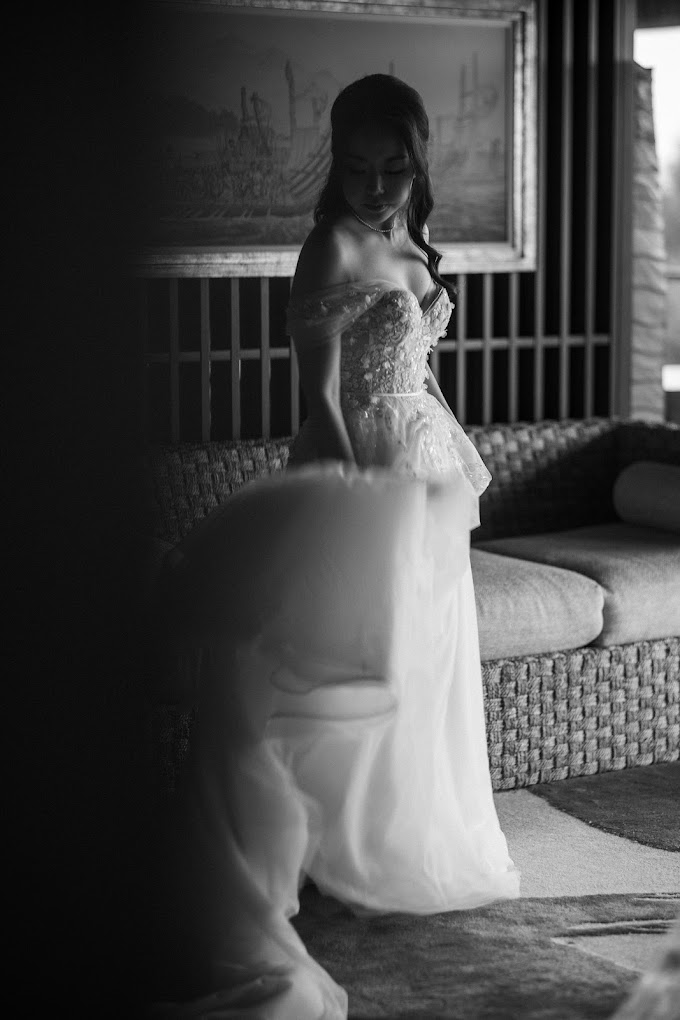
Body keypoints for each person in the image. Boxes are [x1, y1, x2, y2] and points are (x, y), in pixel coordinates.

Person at [152, 74, 519, 1020]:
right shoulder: (330, 246)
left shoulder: (404, 239)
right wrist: (350, 501)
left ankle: (395, 846)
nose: (373, 185)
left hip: (429, 476)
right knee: (341, 672)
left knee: (426, 668)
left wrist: (445, 461)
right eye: (356, 166)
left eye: (393, 166)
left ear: (418, 161)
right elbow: (316, 400)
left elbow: (416, 373)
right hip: (365, 474)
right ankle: (320, 855)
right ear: (337, 162)